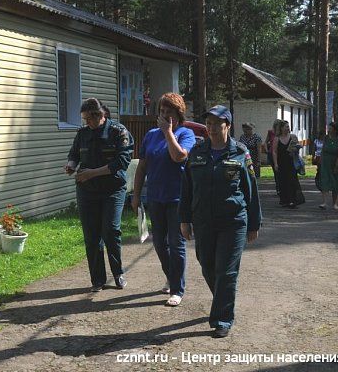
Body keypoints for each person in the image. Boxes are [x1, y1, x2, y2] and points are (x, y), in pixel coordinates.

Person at [179, 105, 262, 339]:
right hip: (203, 219)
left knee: (226, 271)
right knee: (207, 265)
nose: (212, 128)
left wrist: (254, 223)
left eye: (217, 124)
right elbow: (187, 188)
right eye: (209, 124)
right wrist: (184, 219)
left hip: (233, 220)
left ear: (227, 125)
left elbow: (251, 190)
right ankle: (224, 300)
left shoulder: (240, 153)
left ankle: (222, 319)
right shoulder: (197, 152)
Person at [132, 93, 196, 307]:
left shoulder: (185, 133)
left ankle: (177, 289)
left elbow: (179, 156)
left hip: (178, 198)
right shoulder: (150, 135)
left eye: (169, 112)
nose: (164, 115)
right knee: (159, 243)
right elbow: (142, 166)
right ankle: (171, 275)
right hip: (155, 197)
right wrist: (136, 194)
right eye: (161, 111)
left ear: (178, 115)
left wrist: (169, 133)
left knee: (176, 243)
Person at [65, 98, 134, 292]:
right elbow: (74, 154)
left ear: (100, 116)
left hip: (112, 190)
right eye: (84, 119)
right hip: (87, 191)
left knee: (110, 232)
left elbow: (121, 163)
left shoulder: (119, 132)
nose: (86, 122)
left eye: (89, 119)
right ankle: (97, 280)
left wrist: (91, 173)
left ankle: (118, 273)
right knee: (92, 236)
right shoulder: (83, 134)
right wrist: (71, 166)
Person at [272, 120, 305, 208]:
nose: (288, 128)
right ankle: (285, 200)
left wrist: (297, 148)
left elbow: (297, 148)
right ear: (281, 128)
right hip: (281, 162)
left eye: (288, 126)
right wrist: (275, 163)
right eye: (286, 126)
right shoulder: (277, 138)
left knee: (292, 181)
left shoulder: (293, 137)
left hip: (292, 162)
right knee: (283, 181)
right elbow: (274, 152)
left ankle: (292, 200)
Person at [318, 122, 338, 210]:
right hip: (325, 163)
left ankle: (335, 203)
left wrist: (337, 166)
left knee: (335, 182)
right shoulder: (326, 138)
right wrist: (320, 161)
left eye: (330, 127)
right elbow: (322, 150)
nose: (328, 128)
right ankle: (324, 202)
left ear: (335, 129)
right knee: (324, 181)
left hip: (335, 162)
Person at [265, 120, 283, 194]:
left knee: (282, 172)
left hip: (281, 154)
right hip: (272, 154)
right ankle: (278, 188)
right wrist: (267, 150)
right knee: (276, 172)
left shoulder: (282, 133)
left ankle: (282, 187)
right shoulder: (270, 132)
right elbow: (265, 142)